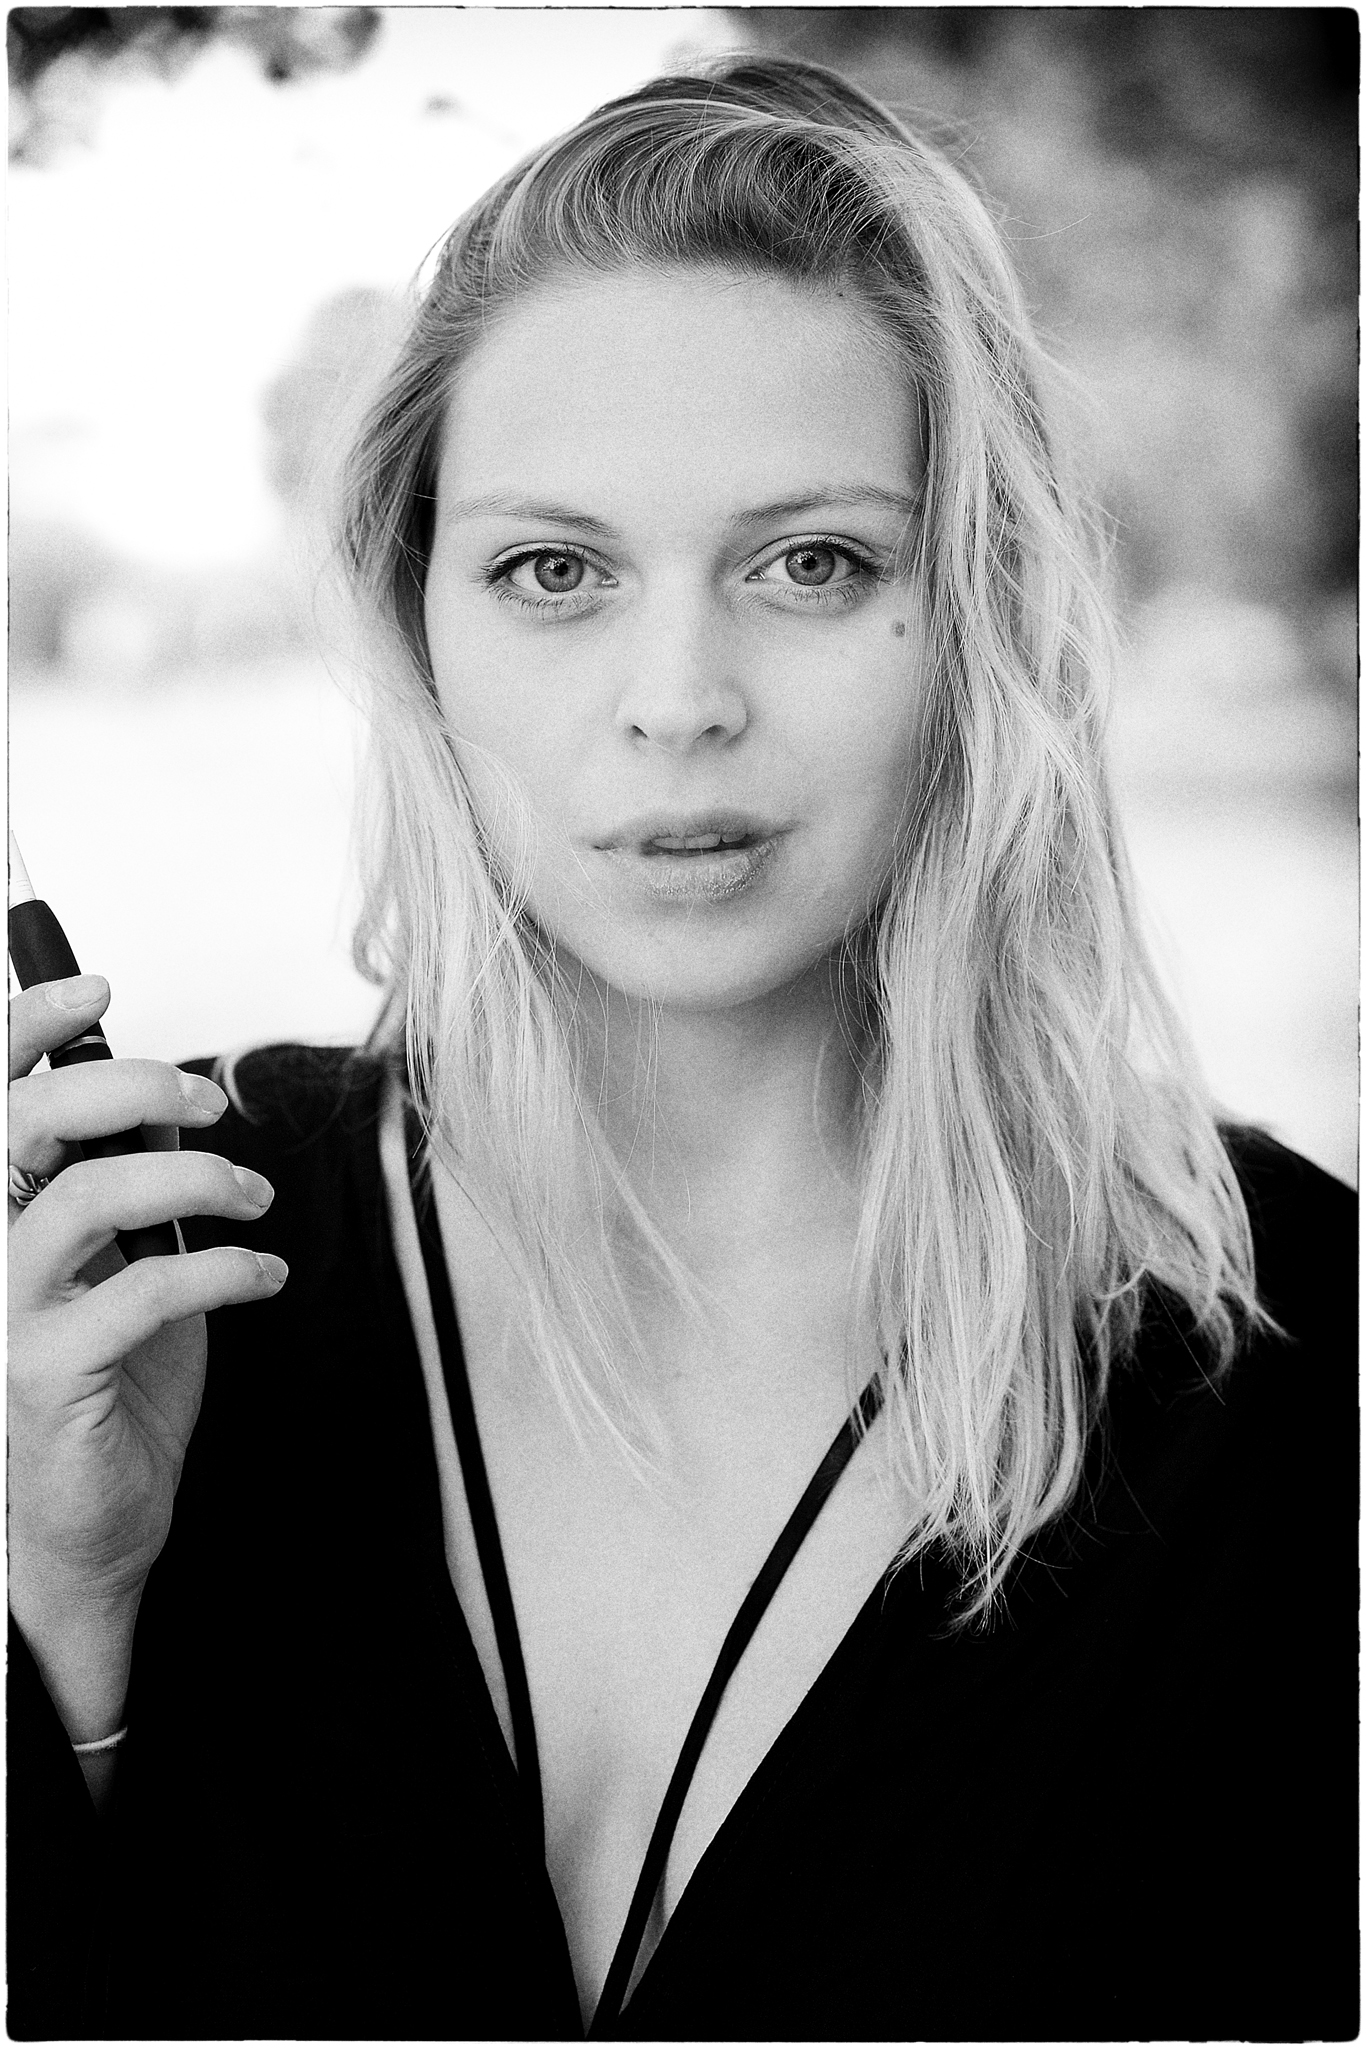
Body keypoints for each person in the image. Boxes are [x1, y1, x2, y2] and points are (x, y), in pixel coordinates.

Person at [7, 53, 1355, 2043]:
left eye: (812, 562)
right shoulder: (157, 1271)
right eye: (553, 571)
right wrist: (62, 1617)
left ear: (976, 611)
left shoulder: (1283, 1355)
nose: (676, 698)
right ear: (417, 623)